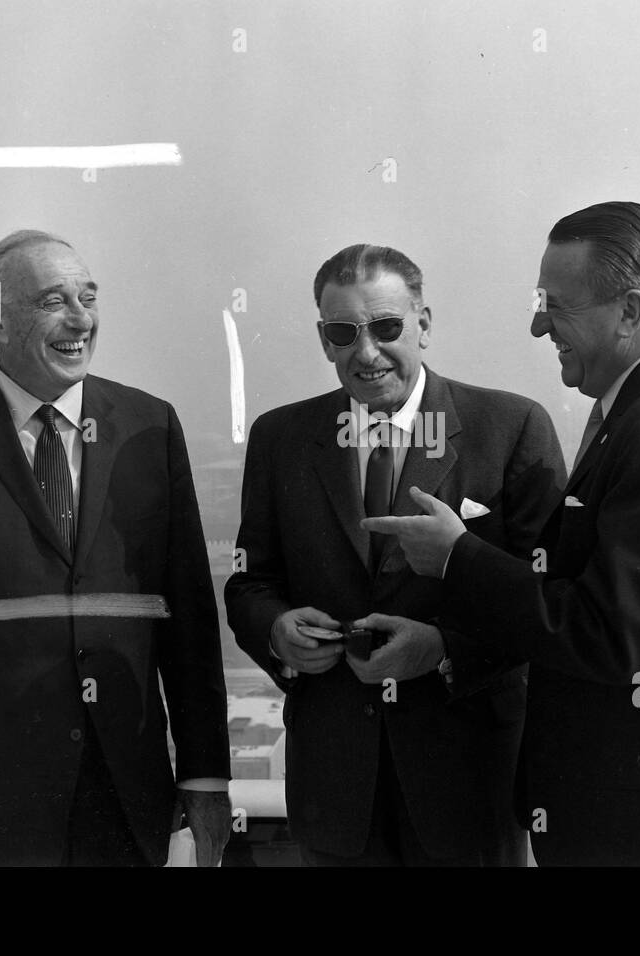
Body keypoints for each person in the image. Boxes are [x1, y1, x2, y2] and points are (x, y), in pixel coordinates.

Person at [365, 203, 640, 865]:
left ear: (629, 310)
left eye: (557, 306)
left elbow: (606, 633)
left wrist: (458, 558)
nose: (539, 325)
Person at [0, 230, 231, 866]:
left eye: (89, 297)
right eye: (54, 301)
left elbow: (186, 622)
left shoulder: (151, 427)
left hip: (124, 802)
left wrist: (204, 778)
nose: (81, 319)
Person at [224, 244, 565, 865]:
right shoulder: (281, 439)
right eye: (343, 332)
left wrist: (441, 649)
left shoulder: (510, 427)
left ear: (424, 325)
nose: (366, 352)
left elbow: (549, 601)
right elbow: (249, 582)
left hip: (468, 787)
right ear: (324, 340)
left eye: (386, 328)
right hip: (335, 793)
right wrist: (276, 630)